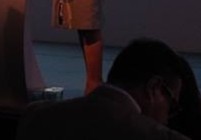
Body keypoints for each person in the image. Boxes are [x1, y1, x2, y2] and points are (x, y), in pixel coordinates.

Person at [16, 38, 191, 140]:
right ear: (153, 87)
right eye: (172, 106)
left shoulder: (36, 116)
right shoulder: (159, 136)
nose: (168, 119)